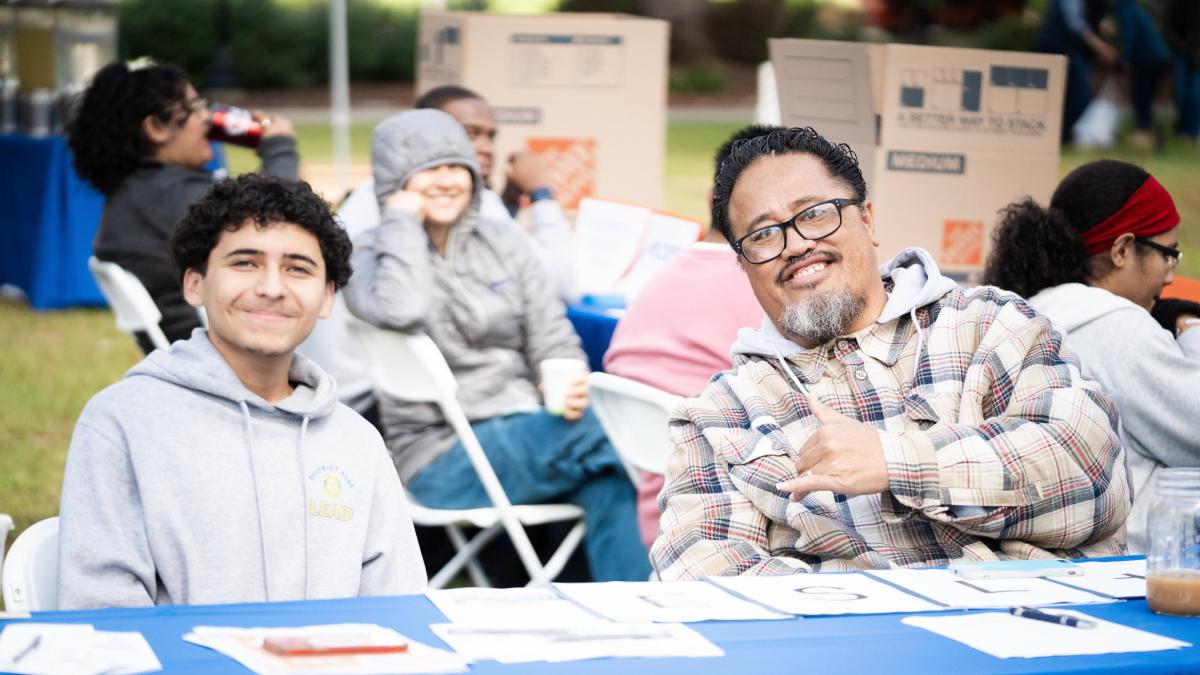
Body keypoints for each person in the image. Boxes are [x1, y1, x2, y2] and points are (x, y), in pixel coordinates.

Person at [651, 127, 1131, 580]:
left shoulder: (990, 326)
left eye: (815, 213)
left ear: (867, 219)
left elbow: (1091, 476)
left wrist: (897, 461)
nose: (795, 244)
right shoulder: (722, 417)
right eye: (763, 235)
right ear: (743, 264)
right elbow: (701, 576)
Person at [58, 174, 425, 609]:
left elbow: (399, 607)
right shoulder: (122, 423)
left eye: (297, 269)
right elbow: (103, 616)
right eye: (244, 263)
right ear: (194, 283)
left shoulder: (357, 442)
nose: (271, 288)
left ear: (327, 296)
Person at [344, 109, 649, 582]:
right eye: (427, 169)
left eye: (455, 167)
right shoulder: (367, 254)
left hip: (527, 428)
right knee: (624, 430)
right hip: (439, 455)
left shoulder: (504, 241)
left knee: (608, 478)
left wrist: (561, 374)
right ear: (394, 182)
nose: (446, 181)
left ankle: (634, 619)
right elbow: (401, 307)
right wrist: (402, 222)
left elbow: (553, 333)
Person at [982, 159, 1200, 553]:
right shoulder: (1116, 328)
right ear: (1122, 249)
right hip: (1129, 563)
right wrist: (1189, 325)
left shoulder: (1029, 310)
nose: (1169, 276)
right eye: (1168, 254)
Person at [603, 124, 773, 548]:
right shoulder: (765, 293)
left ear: (710, 203)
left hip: (652, 504)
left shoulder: (661, 277)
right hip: (729, 521)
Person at [68, 60, 299, 353]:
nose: (209, 118)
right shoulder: (170, 196)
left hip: (194, 350)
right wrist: (280, 147)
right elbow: (276, 223)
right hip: (219, 355)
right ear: (156, 128)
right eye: (194, 107)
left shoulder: (140, 191)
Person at [335, 85, 573, 299]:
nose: (487, 148)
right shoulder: (443, 195)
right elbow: (561, 285)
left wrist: (509, 203)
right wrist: (542, 195)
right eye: (469, 135)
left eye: (490, 137)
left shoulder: (372, 191)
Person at [1034, 0, 1118, 143]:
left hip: (1068, 48)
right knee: (1076, 95)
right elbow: (1075, 24)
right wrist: (1100, 47)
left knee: (1073, 96)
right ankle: (1059, 136)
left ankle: (1062, 136)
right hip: (1055, 47)